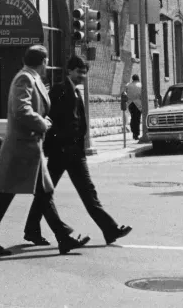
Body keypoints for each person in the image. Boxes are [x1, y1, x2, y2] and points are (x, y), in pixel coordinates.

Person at [0, 44, 89, 257]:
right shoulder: (25, 79)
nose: (48, 64)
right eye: (47, 61)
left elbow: (32, 108)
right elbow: (21, 109)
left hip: (29, 147)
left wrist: (42, 119)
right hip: (22, 147)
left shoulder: (33, 78)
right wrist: (42, 123)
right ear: (43, 61)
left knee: (37, 193)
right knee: (14, 194)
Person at [24, 56, 132, 246]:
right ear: (70, 71)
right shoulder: (59, 90)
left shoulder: (76, 92)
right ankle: (32, 230)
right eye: (79, 72)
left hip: (75, 153)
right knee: (46, 194)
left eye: (85, 73)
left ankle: (110, 230)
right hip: (61, 152)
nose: (82, 76)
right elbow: (51, 120)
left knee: (88, 192)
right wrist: (59, 145)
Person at [124, 74, 143, 140]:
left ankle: (133, 131)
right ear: (138, 79)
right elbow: (142, 95)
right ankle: (136, 134)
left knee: (133, 117)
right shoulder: (140, 85)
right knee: (137, 119)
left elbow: (125, 93)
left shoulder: (128, 85)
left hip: (130, 104)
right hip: (138, 104)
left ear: (132, 79)